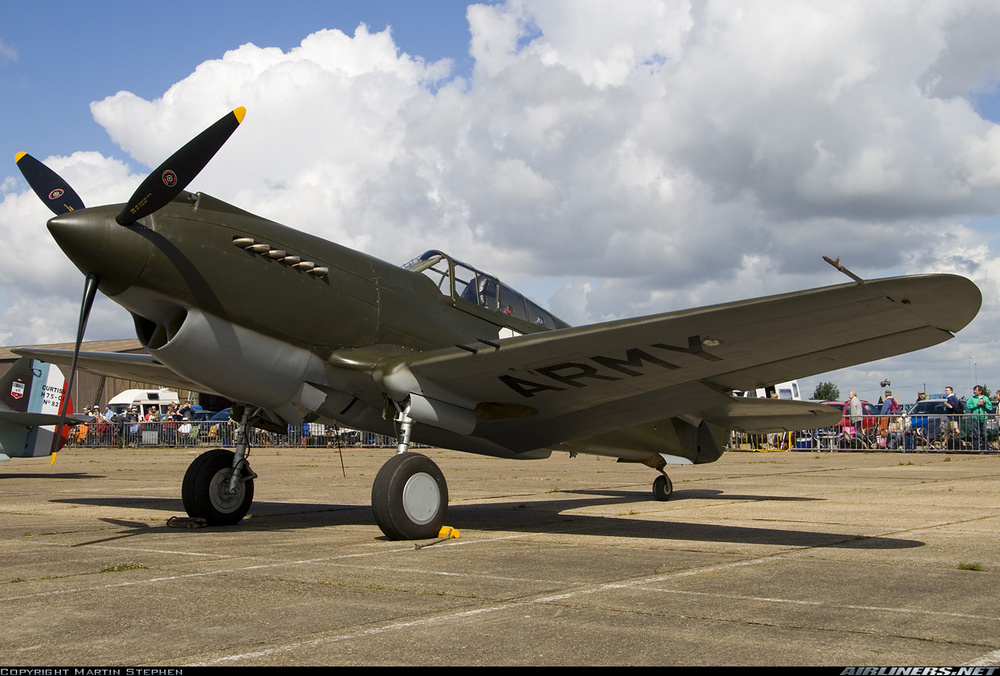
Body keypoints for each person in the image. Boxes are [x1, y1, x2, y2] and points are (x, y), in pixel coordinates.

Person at [966, 385, 992, 450]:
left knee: (984, 433)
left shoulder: (985, 398)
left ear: (980, 391)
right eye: (974, 390)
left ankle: (985, 447)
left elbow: (990, 407)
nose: (974, 392)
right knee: (975, 433)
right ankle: (976, 447)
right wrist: (976, 404)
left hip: (983, 418)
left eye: (976, 390)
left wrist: (984, 404)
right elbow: (968, 406)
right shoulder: (972, 398)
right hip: (975, 418)